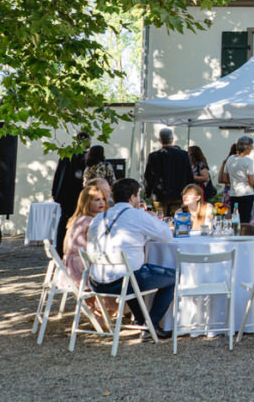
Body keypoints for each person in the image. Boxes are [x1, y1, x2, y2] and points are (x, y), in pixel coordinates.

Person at [86, 178, 175, 340]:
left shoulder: (99, 218)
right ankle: (151, 324)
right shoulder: (137, 215)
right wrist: (152, 219)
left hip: (96, 281)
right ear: (133, 197)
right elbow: (167, 236)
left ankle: (142, 320)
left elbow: (89, 247)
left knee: (132, 276)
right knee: (172, 277)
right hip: (123, 282)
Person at [62, 182, 109, 283]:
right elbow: (98, 245)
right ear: (87, 203)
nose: (102, 203)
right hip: (82, 267)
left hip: (69, 266)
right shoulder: (90, 222)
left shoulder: (77, 219)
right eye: (97, 200)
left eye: (103, 199)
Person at [51, 132, 89, 254]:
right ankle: (72, 246)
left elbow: (58, 174)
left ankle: (61, 248)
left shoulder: (66, 154)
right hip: (77, 194)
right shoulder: (85, 157)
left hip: (64, 193)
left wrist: (55, 192)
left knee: (64, 221)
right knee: (76, 221)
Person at [143, 128, 194, 216]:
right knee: (176, 219)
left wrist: (147, 193)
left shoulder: (153, 156)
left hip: (159, 196)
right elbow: (189, 175)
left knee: (159, 220)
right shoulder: (183, 155)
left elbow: (148, 177)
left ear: (160, 140)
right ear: (172, 139)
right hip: (178, 194)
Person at [224, 136, 254, 224]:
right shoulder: (248, 161)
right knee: (245, 220)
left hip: (234, 194)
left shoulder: (230, 159)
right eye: (251, 146)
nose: (252, 148)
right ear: (247, 147)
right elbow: (251, 182)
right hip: (246, 194)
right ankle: (244, 236)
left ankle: (235, 235)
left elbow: (225, 178)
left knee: (235, 219)